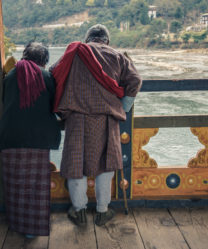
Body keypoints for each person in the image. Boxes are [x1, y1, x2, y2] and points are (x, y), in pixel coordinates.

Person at [50, 24, 142, 226]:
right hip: (107, 118)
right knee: (106, 165)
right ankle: (102, 211)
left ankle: (79, 211)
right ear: (106, 41)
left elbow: (53, 73)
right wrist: (124, 107)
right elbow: (135, 80)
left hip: (76, 117)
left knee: (76, 165)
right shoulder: (118, 56)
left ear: (88, 39)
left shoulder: (75, 52)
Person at [0, 42, 61, 237]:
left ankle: (18, 224)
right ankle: (34, 229)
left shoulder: (9, 76)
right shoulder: (47, 77)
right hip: (38, 139)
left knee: (15, 185)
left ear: (24, 57)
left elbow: (5, 101)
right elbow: (53, 104)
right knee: (36, 186)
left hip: (10, 137)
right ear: (43, 61)